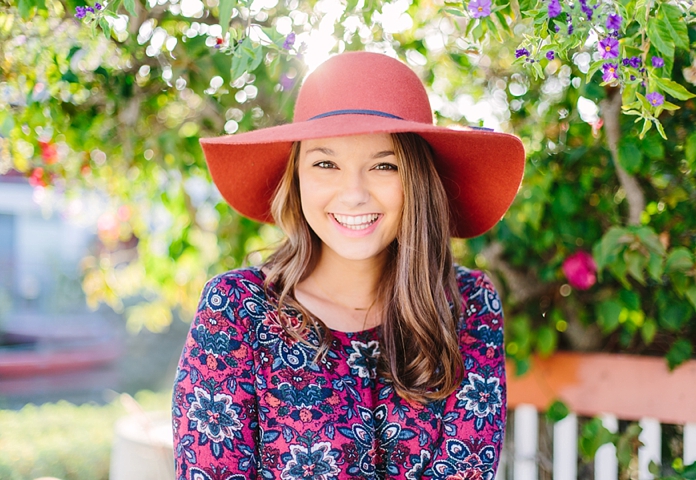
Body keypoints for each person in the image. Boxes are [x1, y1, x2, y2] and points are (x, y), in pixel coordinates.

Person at [172, 51, 525, 480]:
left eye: (383, 165)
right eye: (326, 163)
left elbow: (467, 468)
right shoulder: (236, 311)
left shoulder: (467, 305)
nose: (354, 193)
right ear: (296, 177)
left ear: (417, 180)